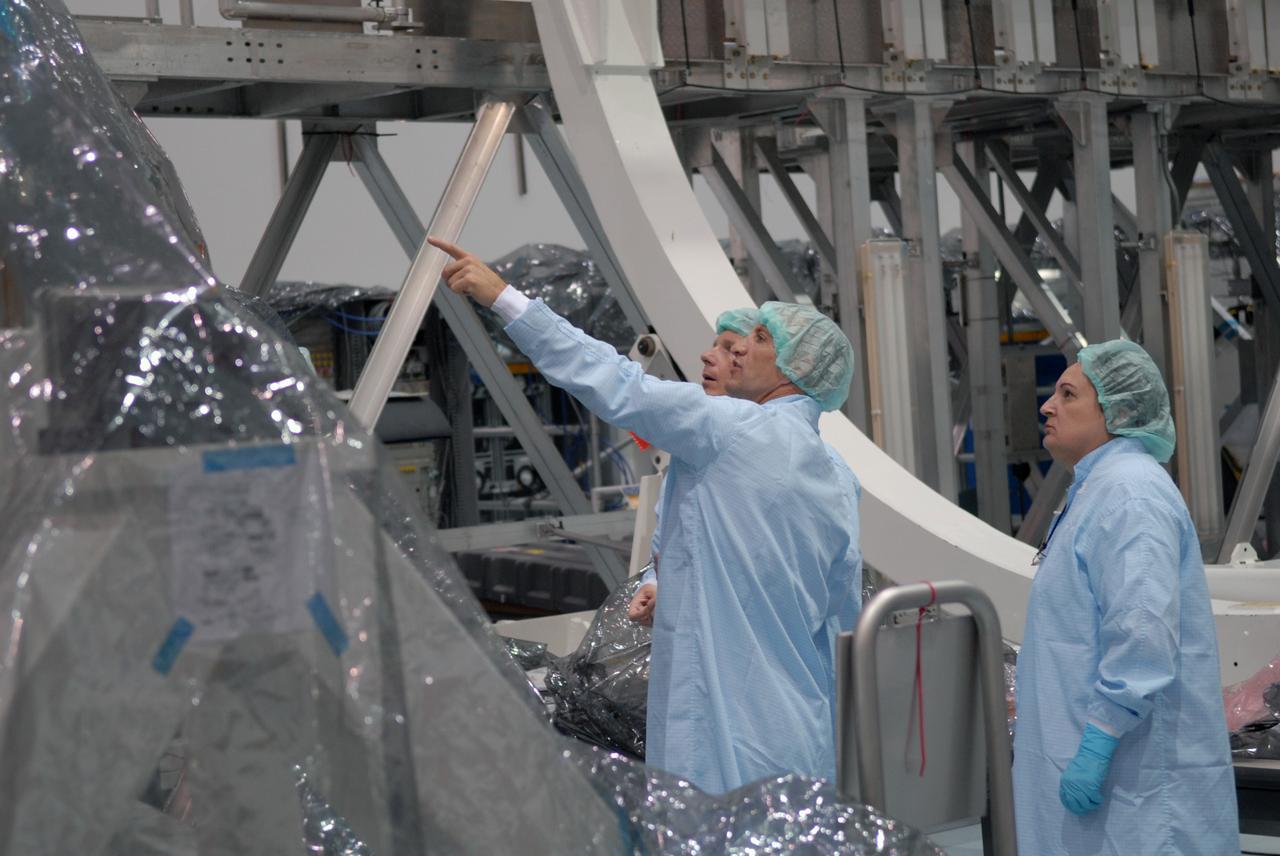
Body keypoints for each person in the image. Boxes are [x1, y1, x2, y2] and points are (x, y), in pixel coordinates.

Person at [430, 237, 861, 794]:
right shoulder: (836, 471)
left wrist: (505, 298)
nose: (729, 354)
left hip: (724, 728)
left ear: (795, 369)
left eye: (755, 341)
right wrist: (669, 578)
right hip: (799, 719)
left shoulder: (728, 429)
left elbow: (613, 380)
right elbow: (835, 604)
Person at [1012, 339, 1238, 854]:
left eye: (1068, 394)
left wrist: (1097, 742)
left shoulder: (1130, 493)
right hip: (1104, 783)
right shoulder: (1099, 488)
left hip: (1133, 786)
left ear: (1119, 410)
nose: (1047, 406)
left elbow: (1141, 633)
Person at [628, 310, 861, 638]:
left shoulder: (821, 471)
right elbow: (669, 539)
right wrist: (655, 582)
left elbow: (833, 591)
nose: (711, 357)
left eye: (730, 347)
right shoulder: (694, 458)